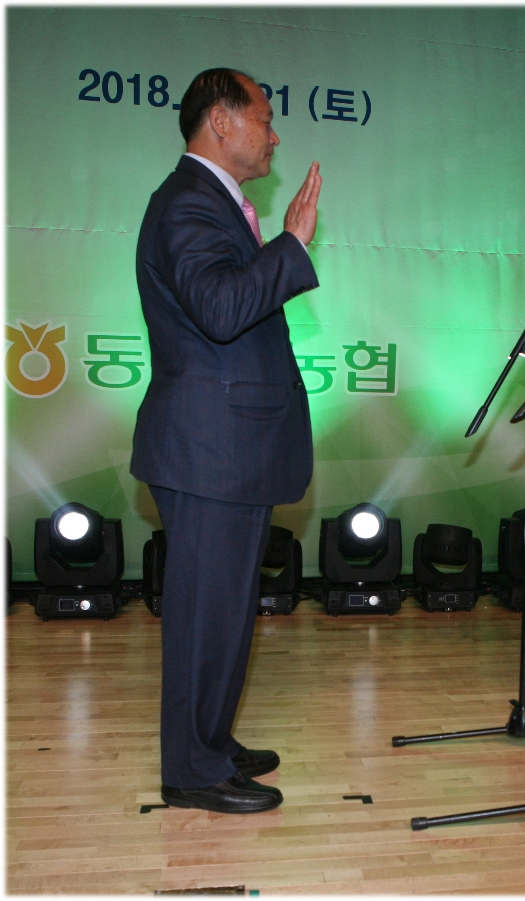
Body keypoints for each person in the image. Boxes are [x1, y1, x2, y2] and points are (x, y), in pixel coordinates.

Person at [131, 68, 322, 814]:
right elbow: (218, 308)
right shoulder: (185, 204)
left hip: (226, 447)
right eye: (265, 119)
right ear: (221, 122)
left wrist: (277, 246)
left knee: (227, 609)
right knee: (205, 615)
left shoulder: (209, 201)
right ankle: (192, 771)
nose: (274, 135)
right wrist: (292, 245)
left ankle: (209, 739)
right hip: (208, 447)